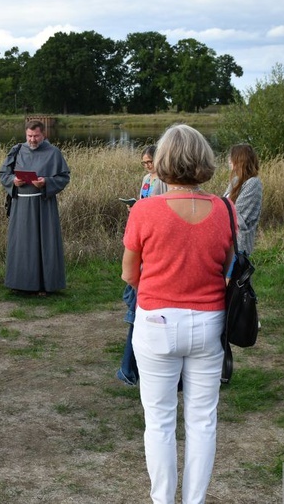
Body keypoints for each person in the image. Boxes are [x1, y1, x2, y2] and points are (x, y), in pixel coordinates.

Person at [121, 124, 234, 503]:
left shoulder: (144, 210)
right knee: (203, 421)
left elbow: (128, 274)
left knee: (160, 422)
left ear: (164, 161)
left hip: (156, 320)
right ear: (203, 160)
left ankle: (163, 499)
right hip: (209, 322)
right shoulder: (225, 209)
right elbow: (229, 267)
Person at [0, 120, 70, 294]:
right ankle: (20, 284)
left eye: (36, 136)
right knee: (22, 243)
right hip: (21, 205)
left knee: (44, 244)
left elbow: (64, 177)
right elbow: (3, 174)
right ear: (25, 134)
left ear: (43, 134)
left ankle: (45, 285)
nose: (32, 140)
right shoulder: (17, 150)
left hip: (43, 205)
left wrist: (46, 182)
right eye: (29, 136)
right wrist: (13, 181)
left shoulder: (53, 153)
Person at [117, 145, 168, 386]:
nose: (147, 166)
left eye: (150, 162)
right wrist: (135, 206)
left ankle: (134, 304)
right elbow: (145, 202)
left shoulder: (165, 180)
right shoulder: (146, 179)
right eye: (144, 163)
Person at [224, 144, 263, 256]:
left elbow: (238, 216)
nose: (229, 160)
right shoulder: (236, 181)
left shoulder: (253, 183)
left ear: (240, 160)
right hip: (227, 242)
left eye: (231, 157)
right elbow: (224, 206)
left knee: (235, 274)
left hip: (239, 246)